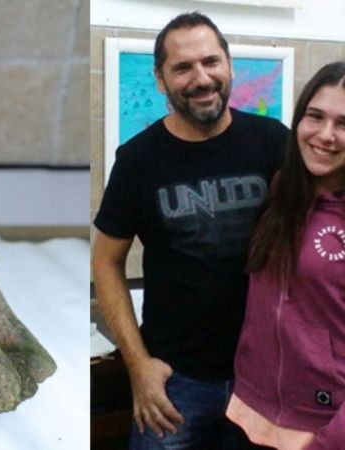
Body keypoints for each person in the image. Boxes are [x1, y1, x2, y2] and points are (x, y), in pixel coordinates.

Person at [91, 11, 289, 449]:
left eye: (210, 62)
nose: (201, 78)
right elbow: (105, 261)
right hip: (174, 384)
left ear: (229, 66)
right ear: (161, 80)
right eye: (182, 67)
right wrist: (138, 365)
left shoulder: (273, 141)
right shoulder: (139, 160)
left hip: (260, 378)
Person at [227, 61, 345, 450]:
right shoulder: (282, 191)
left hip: (320, 430)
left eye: (343, 124)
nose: (326, 135)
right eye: (315, 117)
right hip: (249, 413)